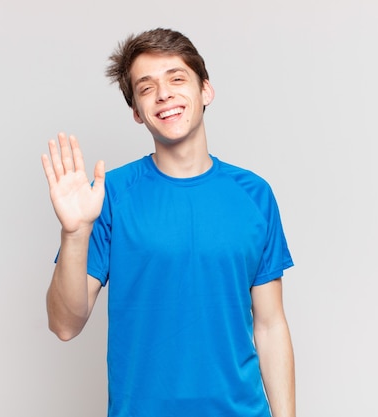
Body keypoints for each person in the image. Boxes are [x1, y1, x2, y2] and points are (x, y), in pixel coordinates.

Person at [41, 28, 295, 417]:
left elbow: (270, 325)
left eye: (177, 79)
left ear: (205, 91)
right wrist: (75, 234)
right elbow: (64, 324)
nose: (164, 94)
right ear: (137, 113)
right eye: (146, 88)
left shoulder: (254, 194)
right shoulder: (110, 196)